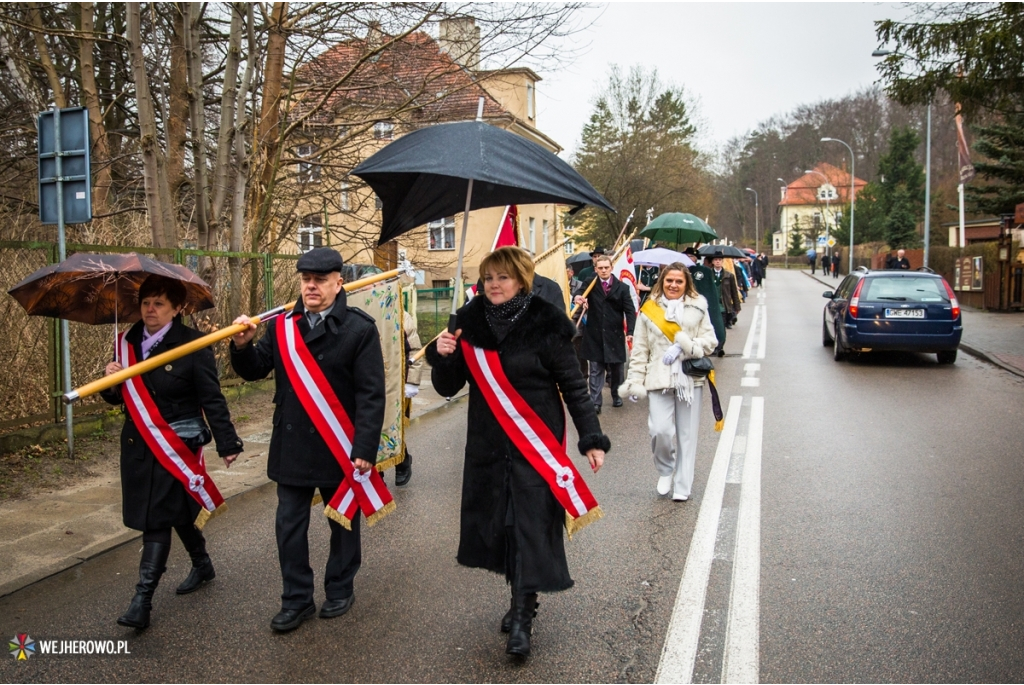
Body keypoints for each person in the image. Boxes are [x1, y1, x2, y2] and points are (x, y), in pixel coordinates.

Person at [427, 246, 609, 659]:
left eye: (503, 277)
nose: (494, 284)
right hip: (488, 446)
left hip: (536, 442)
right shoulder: (468, 322)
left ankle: (522, 615)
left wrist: (592, 438)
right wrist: (442, 355)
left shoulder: (546, 322)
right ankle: (521, 596)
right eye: (488, 277)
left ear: (522, 280)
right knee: (503, 525)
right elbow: (445, 387)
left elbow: (573, 385)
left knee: (528, 522)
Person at [230, 247, 387, 633]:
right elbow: (254, 370)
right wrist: (242, 345)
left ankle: (339, 588)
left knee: (343, 523)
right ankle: (296, 599)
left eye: (319, 280)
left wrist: (365, 448)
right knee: (289, 526)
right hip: (294, 445)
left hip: (340, 447)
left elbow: (371, 394)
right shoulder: (282, 326)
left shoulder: (360, 329)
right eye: (305, 280)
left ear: (339, 282)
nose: (311, 286)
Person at [101, 275, 243, 630]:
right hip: (138, 444)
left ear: (177, 309)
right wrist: (110, 380)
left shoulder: (193, 344)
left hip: (176, 443)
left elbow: (211, 397)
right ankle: (202, 562)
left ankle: (142, 601)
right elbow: (117, 398)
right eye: (146, 302)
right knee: (175, 511)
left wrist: (228, 443)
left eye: (159, 303)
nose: (150, 309)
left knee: (157, 518)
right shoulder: (127, 341)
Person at [620, 264, 717, 502]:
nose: (673, 285)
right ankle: (665, 469)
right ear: (662, 281)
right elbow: (640, 350)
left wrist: (684, 344)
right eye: (669, 281)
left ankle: (683, 485)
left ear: (686, 284)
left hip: (689, 379)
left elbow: (710, 341)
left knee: (687, 435)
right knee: (660, 430)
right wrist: (634, 380)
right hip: (658, 377)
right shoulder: (649, 309)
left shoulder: (698, 306)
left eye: (679, 281)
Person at [573, 254, 637, 413]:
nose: (603, 270)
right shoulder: (591, 283)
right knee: (595, 369)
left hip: (615, 335)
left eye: (606, 267)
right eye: (600, 268)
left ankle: (616, 395)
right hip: (595, 334)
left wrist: (630, 331)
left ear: (611, 268)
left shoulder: (622, 287)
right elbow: (580, 292)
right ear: (596, 269)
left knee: (616, 369)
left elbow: (629, 311)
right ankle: (595, 402)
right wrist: (578, 298)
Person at [395, 308, 423, 487]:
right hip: (372, 381)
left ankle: (402, 461)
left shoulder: (402, 317)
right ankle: (377, 474)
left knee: (394, 428)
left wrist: (411, 382)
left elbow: (415, 350)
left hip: (398, 382)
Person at [684, 247, 726, 357]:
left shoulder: (704, 271)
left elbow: (709, 290)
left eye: (691, 256)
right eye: (687, 256)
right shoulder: (681, 270)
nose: (689, 259)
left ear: (696, 258)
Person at [707, 253, 741, 329]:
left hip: (724, 305)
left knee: (722, 325)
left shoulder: (729, 275)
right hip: (712, 304)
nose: (718, 262)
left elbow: (734, 292)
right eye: (715, 260)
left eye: (719, 260)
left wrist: (737, 307)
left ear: (722, 262)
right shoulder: (708, 274)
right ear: (712, 262)